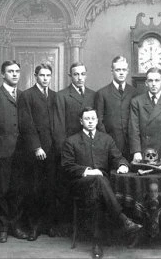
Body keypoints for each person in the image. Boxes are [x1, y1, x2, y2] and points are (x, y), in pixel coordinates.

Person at [61, 107, 143, 259]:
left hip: (101, 187)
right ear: (81, 121)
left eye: (93, 118)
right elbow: (67, 166)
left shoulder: (106, 139)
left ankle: (97, 243)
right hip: (80, 185)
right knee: (98, 180)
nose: (90, 121)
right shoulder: (71, 141)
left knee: (98, 195)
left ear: (97, 120)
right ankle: (123, 220)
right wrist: (89, 171)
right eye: (87, 119)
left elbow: (118, 157)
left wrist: (123, 165)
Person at [0, 60, 28, 243]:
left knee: (18, 190)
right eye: (11, 71)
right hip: (2, 153)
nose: (15, 74)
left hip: (21, 152)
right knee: (1, 191)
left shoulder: (23, 96)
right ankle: (1, 227)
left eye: (17, 71)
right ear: (3, 74)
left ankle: (15, 225)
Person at [18, 63, 58, 241]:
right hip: (35, 150)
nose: (45, 78)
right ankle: (33, 226)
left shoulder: (55, 96)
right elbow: (26, 124)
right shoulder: (27, 95)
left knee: (49, 188)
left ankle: (47, 224)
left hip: (52, 149)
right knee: (34, 189)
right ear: (35, 76)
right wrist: (36, 147)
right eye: (42, 75)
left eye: (48, 75)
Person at [129, 67, 161, 162]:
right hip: (143, 151)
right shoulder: (137, 102)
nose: (154, 84)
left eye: (157, 80)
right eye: (150, 81)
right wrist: (136, 151)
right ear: (146, 83)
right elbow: (134, 129)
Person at [95, 56, 138, 159]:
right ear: (112, 71)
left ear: (127, 71)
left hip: (131, 145)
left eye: (124, 70)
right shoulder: (102, 93)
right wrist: (107, 141)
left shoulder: (134, 92)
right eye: (118, 70)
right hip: (110, 144)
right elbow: (99, 121)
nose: (121, 73)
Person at [54, 62, 96, 152]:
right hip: (70, 145)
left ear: (86, 75)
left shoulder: (93, 94)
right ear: (70, 76)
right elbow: (59, 126)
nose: (80, 78)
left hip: (90, 144)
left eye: (83, 74)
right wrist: (63, 149)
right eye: (76, 74)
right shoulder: (61, 95)